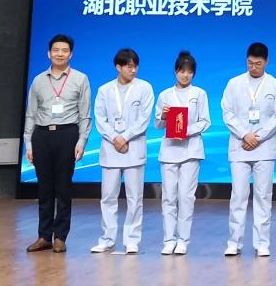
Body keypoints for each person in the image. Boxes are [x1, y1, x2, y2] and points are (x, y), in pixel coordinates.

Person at [24, 34, 92, 253]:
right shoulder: (38, 80)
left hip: (67, 134)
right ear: (49, 53)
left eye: (64, 50)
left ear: (70, 54)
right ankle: (44, 236)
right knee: (44, 188)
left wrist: (82, 141)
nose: (60, 54)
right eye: (56, 50)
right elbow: (31, 114)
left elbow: (85, 114)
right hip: (42, 135)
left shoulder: (80, 79)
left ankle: (60, 236)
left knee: (63, 187)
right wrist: (28, 144)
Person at [221, 42, 276, 257]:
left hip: (264, 148)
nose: (253, 67)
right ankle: (234, 242)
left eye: (258, 64)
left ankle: (262, 243)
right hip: (240, 146)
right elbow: (227, 113)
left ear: (266, 62)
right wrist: (244, 134)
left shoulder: (275, 85)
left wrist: (257, 137)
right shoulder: (234, 83)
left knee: (263, 196)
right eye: (250, 63)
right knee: (238, 195)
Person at [91, 48, 155, 254]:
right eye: (129, 66)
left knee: (134, 197)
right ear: (118, 67)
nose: (133, 70)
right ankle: (107, 238)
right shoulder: (105, 90)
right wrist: (115, 138)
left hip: (133, 148)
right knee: (108, 197)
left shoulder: (144, 88)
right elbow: (100, 119)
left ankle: (132, 239)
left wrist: (125, 137)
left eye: (135, 66)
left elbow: (144, 119)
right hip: (111, 149)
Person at [154, 51, 211, 255]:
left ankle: (183, 239)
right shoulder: (165, 95)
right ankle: (168, 239)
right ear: (175, 71)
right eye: (182, 71)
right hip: (169, 150)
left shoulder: (199, 94)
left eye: (189, 72)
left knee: (186, 196)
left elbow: (205, 121)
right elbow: (158, 125)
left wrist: (186, 131)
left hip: (191, 150)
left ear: (194, 73)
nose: (185, 75)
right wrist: (163, 116)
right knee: (169, 196)